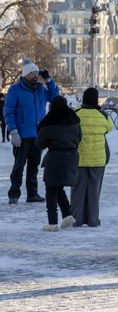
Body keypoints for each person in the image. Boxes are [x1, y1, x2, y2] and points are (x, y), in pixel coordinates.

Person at [4, 60, 60, 204]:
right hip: (22, 136)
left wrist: (48, 80)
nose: (35, 76)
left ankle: (32, 194)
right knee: (18, 166)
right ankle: (14, 194)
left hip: (38, 136)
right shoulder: (15, 90)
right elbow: (8, 111)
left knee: (33, 167)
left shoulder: (41, 89)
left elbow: (55, 97)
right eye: (32, 73)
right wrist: (13, 131)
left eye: (36, 73)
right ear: (25, 75)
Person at [34, 96, 80, 231]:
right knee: (58, 187)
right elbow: (80, 137)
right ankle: (67, 216)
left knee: (51, 189)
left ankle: (52, 223)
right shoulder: (74, 120)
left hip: (55, 158)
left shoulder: (49, 123)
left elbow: (40, 144)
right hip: (71, 156)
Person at [71, 88, 113, 227]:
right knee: (94, 191)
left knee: (78, 191)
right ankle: (93, 220)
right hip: (98, 160)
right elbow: (109, 128)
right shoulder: (103, 116)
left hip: (79, 159)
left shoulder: (76, 114)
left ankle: (77, 219)